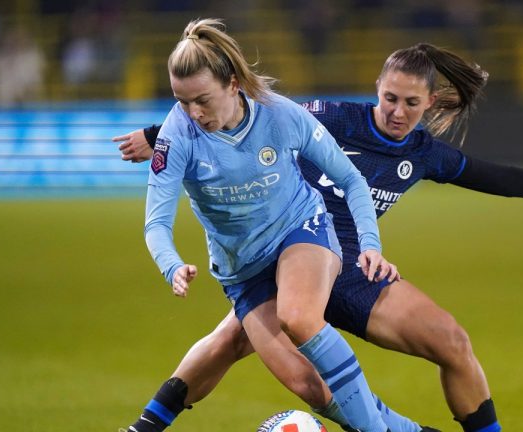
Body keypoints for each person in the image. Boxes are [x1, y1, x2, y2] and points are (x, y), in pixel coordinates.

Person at [115, 43, 523, 432]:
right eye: (389, 97)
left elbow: (497, 177)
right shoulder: (331, 115)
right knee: (271, 364)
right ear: (377, 88)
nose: (396, 111)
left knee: (452, 342)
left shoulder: (426, 154)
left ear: (429, 102)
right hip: (276, 250)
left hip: (347, 265)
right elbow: (241, 111)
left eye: (411, 103)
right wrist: (159, 133)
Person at [138, 17, 403, 432]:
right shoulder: (177, 135)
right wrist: (171, 265)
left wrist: (370, 243)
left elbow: (352, 179)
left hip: (301, 230)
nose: (192, 112)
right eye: (181, 101)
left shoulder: (279, 115)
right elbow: (155, 223)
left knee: (297, 316)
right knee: (307, 385)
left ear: (231, 84)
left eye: (201, 100)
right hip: (242, 269)